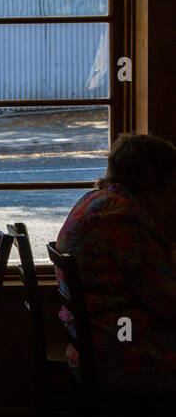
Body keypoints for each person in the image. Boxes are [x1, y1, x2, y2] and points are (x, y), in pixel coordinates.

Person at [57, 133, 176, 392]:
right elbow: (168, 304)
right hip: (121, 356)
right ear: (153, 179)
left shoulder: (95, 201)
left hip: (94, 344)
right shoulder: (123, 222)